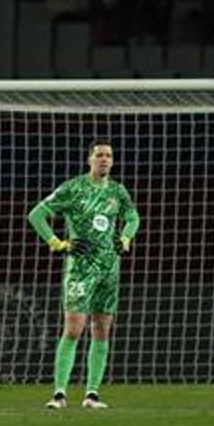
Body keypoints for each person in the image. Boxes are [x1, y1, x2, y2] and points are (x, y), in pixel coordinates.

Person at [28, 139, 140, 410]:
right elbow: (36, 215)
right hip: (79, 270)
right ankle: (59, 394)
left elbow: (133, 217)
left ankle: (92, 394)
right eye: (99, 155)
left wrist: (125, 238)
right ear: (89, 159)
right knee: (74, 329)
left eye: (109, 156)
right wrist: (58, 244)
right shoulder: (73, 188)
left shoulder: (117, 191)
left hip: (109, 271)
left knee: (101, 331)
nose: (104, 160)